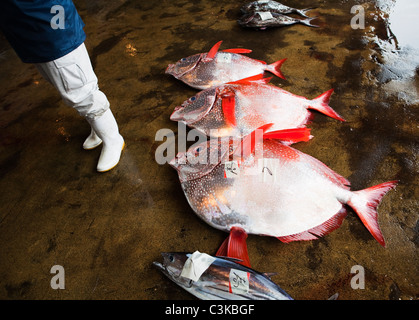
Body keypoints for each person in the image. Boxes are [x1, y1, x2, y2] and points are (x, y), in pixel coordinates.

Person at [0, 0, 124, 172]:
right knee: (62, 85)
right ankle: (98, 129)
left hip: (49, 23)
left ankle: (113, 138)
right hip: (28, 29)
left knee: (80, 90)